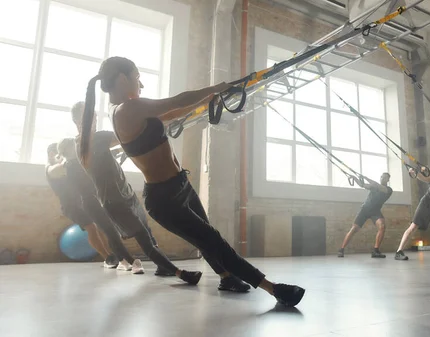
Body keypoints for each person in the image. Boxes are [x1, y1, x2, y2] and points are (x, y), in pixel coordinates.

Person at [78, 56, 304, 306]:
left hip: (179, 185)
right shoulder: (126, 109)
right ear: (122, 78)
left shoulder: (131, 109)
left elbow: (173, 113)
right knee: (212, 239)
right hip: (163, 200)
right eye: (137, 77)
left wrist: (206, 100)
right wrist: (215, 88)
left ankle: (226, 277)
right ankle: (275, 290)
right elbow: (174, 101)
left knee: (206, 236)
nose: (140, 83)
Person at [64, 106, 201, 284]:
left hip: (126, 193)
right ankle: (179, 273)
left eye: (95, 116)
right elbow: (131, 132)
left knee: (148, 234)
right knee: (144, 238)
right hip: (114, 201)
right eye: (89, 117)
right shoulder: (93, 140)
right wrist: (167, 119)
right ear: (77, 122)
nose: (95, 120)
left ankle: (163, 267)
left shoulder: (92, 141)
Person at [46, 143, 118, 268]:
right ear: (52, 154)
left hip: (83, 202)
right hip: (70, 205)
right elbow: (58, 169)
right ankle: (108, 258)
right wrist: (68, 160)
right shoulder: (50, 168)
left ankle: (111, 255)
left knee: (100, 227)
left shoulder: (70, 166)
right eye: (62, 154)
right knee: (91, 227)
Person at [338, 173, 392, 258]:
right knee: (354, 229)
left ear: (388, 180)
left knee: (382, 226)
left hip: (375, 211)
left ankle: (376, 250)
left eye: (385, 178)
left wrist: (365, 177)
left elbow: (376, 185)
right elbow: (362, 185)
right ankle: (341, 249)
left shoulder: (388, 190)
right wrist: (354, 178)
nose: (383, 178)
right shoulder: (374, 187)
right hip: (365, 209)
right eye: (382, 177)